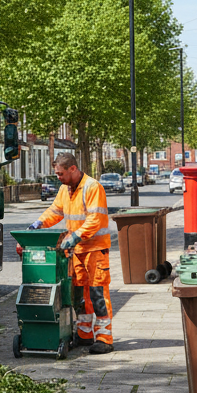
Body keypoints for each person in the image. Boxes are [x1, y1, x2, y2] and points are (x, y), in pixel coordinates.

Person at [30, 152, 114, 354]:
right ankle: (84, 334)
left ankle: (104, 338)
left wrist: (75, 236)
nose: (58, 177)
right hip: (77, 251)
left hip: (94, 250)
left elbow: (95, 220)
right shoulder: (65, 189)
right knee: (79, 296)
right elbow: (55, 212)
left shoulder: (92, 187)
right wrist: (39, 223)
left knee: (97, 294)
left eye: (61, 174)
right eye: (57, 174)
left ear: (73, 169)